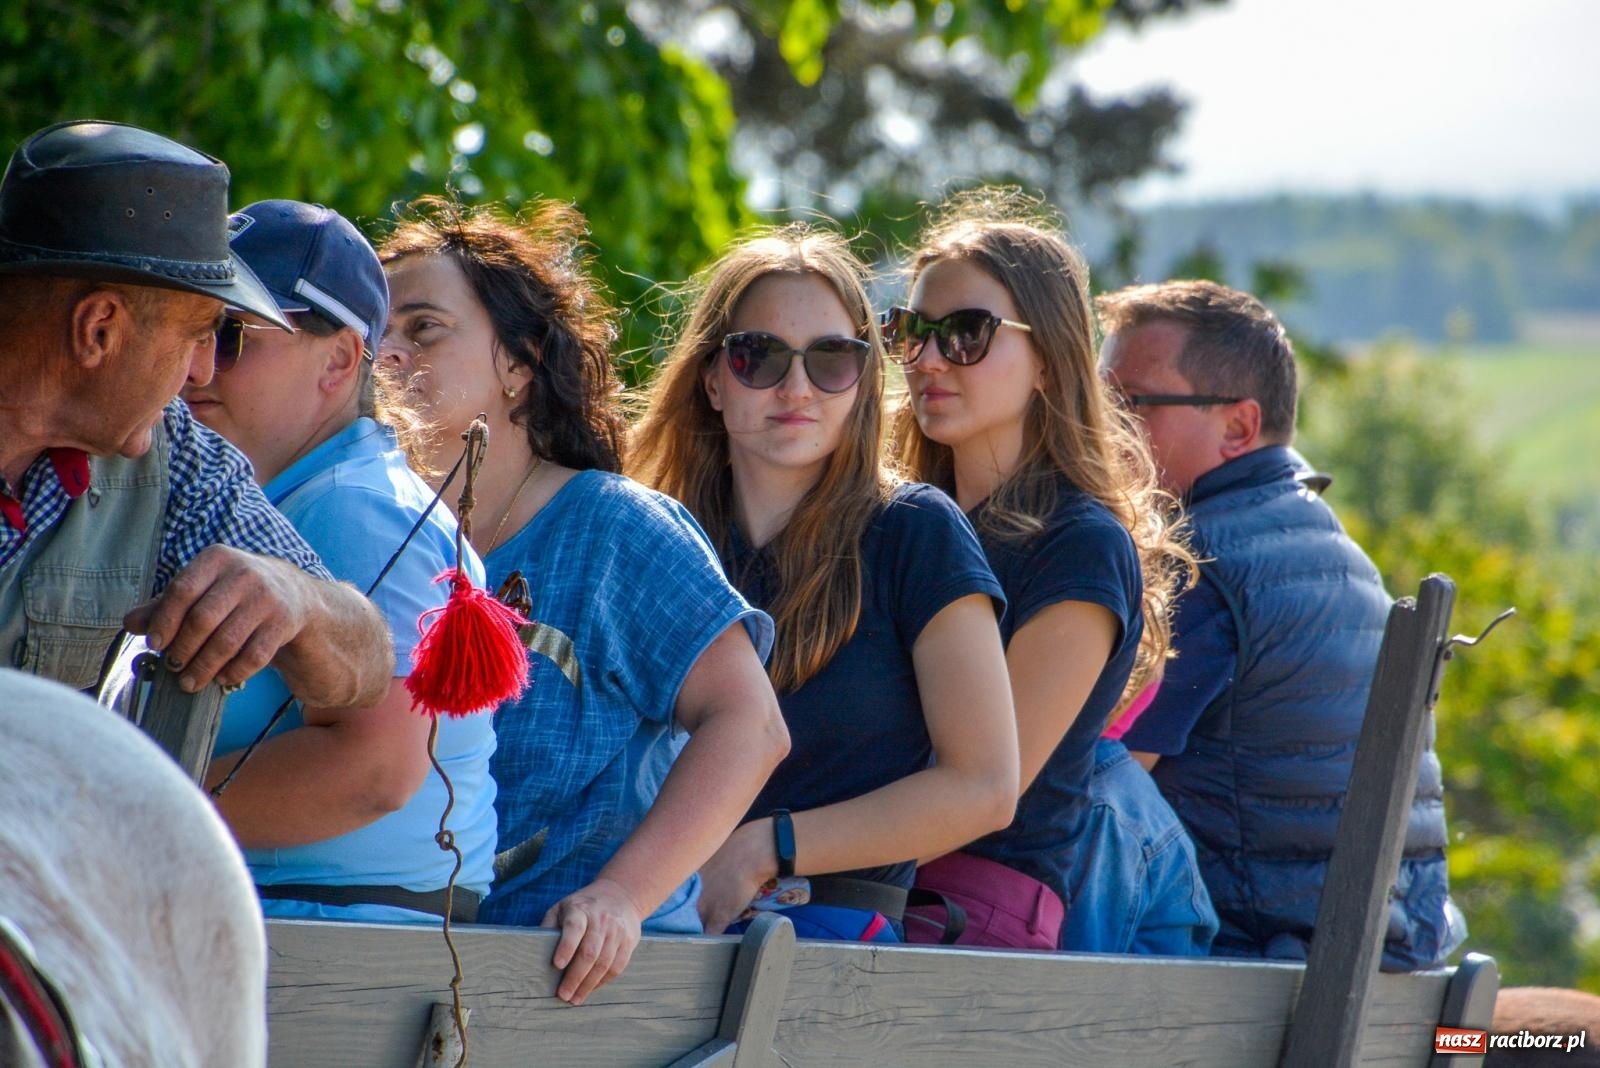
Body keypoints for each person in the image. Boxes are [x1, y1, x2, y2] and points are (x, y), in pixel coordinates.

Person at [376, 197, 788, 1003]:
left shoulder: (616, 528)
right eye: (375, 335)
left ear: (518, 364)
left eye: (423, 329)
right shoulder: (379, 535)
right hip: (408, 980)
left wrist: (621, 897)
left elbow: (751, 726)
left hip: (590, 987)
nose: (387, 354)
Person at [630, 225, 1019, 943]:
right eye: (758, 356)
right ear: (712, 379)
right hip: (642, 929)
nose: (796, 387)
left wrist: (766, 847)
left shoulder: (915, 532)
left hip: (829, 941)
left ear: (864, 379)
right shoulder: (652, 537)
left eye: (832, 358)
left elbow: (984, 787)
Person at [1097, 278, 1463, 969]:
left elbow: (1099, 785)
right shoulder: (1331, 547)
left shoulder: (1200, 561)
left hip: (1256, 962)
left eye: (1129, 404)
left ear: (1238, 427)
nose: (1100, 428)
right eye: (1097, 401)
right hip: (1382, 953)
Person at [889, 191, 1211, 953]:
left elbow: (984, 796)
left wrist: (775, 846)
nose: (928, 359)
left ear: (1048, 358)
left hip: (962, 916)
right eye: (911, 331)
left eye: (966, 333)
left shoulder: (1079, 546)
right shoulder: (896, 517)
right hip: (845, 889)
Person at [178, 200, 496, 924]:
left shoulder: (351, 507)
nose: (195, 364)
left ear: (340, 360)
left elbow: (374, 771)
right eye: (189, 329)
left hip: (337, 937)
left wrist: (126, 810)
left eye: (230, 334)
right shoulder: (327, 490)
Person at [0, 120, 391, 707]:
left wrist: (299, 597)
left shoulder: (170, 450)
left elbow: (365, 665)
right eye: (202, 333)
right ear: (99, 328)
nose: (204, 371)